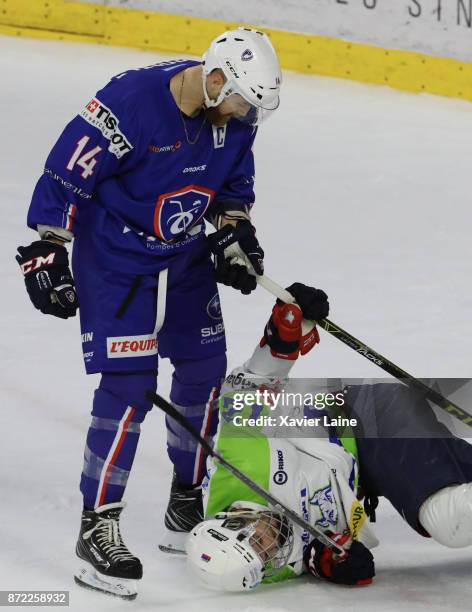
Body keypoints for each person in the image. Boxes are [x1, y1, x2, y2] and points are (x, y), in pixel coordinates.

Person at [15, 28, 282, 599]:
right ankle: (98, 524)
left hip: (182, 258)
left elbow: (232, 189)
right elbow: (66, 174)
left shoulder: (236, 119)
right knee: (129, 388)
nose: (243, 114)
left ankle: (186, 500)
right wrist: (46, 248)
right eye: (239, 100)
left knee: (205, 371)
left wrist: (236, 238)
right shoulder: (128, 104)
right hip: (116, 264)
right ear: (215, 80)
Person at [186, 284, 472, 591]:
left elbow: (249, 386)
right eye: (265, 559)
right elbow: (309, 555)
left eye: (257, 541)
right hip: (365, 471)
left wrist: (286, 328)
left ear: (233, 519)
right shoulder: (272, 560)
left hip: (365, 420)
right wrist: (329, 562)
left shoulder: (238, 465)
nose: (270, 548)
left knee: (447, 520)